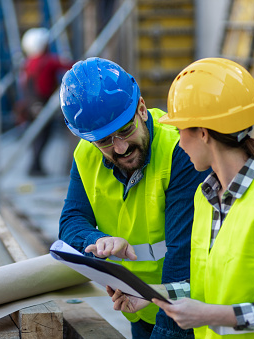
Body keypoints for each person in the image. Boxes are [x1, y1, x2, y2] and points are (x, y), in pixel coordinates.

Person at [109, 58, 254, 338]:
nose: (179, 142)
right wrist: (152, 295)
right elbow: (210, 288)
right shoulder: (206, 198)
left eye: (181, 131)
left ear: (203, 133)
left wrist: (213, 315)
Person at [59, 57, 209, 338]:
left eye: (126, 131)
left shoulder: (180, 151)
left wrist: (166, 331)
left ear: (141, 108)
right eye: (105, 141)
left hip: (186, 313)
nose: (121, 147)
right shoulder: (86, 153)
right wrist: (97, 241)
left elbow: (181, 258)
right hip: (137, 302)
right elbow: (71, 222)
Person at [17, 27, 73, 176]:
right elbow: (69, 66)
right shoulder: (47, 61)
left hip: (30, 103)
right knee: (43, 135)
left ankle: (36, 166)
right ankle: (35, 166)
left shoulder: (28, 62)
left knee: (37, 135)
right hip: (40, 103)